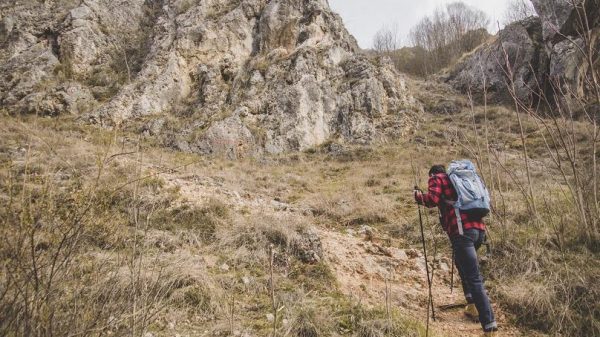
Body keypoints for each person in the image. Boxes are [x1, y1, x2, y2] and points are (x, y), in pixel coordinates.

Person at [414, 164, 498, 335]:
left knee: (474, 278)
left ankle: (490, 326)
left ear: (432, 173)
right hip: (479, 231)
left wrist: (418, 196)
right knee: (461, 263)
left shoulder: (438, 178)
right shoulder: (460, 181)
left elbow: (432, 200)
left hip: (462, 232)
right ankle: (472, 305)